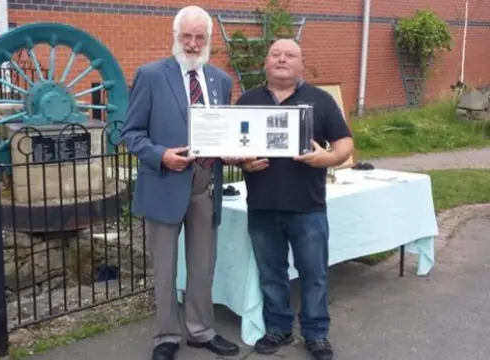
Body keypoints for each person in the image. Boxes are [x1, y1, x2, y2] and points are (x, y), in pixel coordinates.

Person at [120, 5, 243, 360]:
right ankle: (166, 337)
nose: (192, 44)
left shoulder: (221, 80)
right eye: (186, 36)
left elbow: (221, 133)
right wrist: (161, 155)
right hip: (163, 182)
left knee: (203, 266)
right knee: (165, 268)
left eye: (199, 37)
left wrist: (230, 152)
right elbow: (131, 133)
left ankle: (201, 331)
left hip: (205, 188)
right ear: (175, 38)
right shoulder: (151, 75)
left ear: (208, 40)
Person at [236, 39, 354, 360]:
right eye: (276, 54)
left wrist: (326, 158)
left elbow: (345, 144)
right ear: (266, 62)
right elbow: (232, 148)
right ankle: (279, 328)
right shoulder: (247, 100)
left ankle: (316, 334)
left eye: (290, 55)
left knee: (313, 274)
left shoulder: (321, 100)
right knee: (271, 274)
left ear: (302, 64)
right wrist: (241, 162)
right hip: (262, 206)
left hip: (308, 206)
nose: (282, 60)